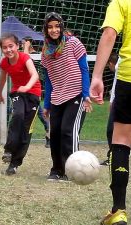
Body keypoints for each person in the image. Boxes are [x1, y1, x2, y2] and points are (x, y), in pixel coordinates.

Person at [90, 0, 131, 224]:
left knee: (121, 141)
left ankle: (118, 211)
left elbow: (109, 34)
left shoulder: (121, 1)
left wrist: (97, 76)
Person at [41, 12, 92, 181]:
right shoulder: (46, 51)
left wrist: (86, 95)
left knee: (67, 131)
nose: (54, 30)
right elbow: (48, 80)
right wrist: (47, 104)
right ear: (46, 29)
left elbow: (84, 69)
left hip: (75, 94)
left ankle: (72, 170)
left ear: (62, 27)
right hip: (57, 96)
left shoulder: (73, 43)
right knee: (54, 133)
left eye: (57, 26)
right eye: (50, 27)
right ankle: (57, 170)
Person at [0, 33, 41, 175]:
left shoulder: (25, 58)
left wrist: (27, 87)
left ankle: (15, 164)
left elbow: (35, 75)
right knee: (18, 115)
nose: (8, 50)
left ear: (17, 46)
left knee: (26, 130)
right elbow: (2, 80)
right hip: (18, 93)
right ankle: (8, 150)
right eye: (4, 48)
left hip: (33, 93)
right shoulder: (4, 63)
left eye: (11, 46)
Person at [22, 36, 50, 148]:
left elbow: (26, 61)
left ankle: (49, 134)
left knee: (39, 112)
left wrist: (26, 47)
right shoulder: (24, 55)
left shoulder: (36, 56)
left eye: (23, 43)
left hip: (35, 88)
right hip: (25, 89)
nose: (21, 45)